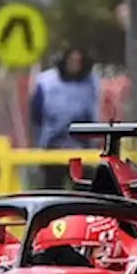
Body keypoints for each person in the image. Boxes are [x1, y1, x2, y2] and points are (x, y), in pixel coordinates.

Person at [29, 46, 101, 189]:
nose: (75, 64)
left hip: (82, 148)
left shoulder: (91, 83)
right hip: (53, 146)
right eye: (71, 60)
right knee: (52, 189)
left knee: (84, 190)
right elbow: (36, 115)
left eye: (78, 61)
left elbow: (95, 112)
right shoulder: (46, 82)